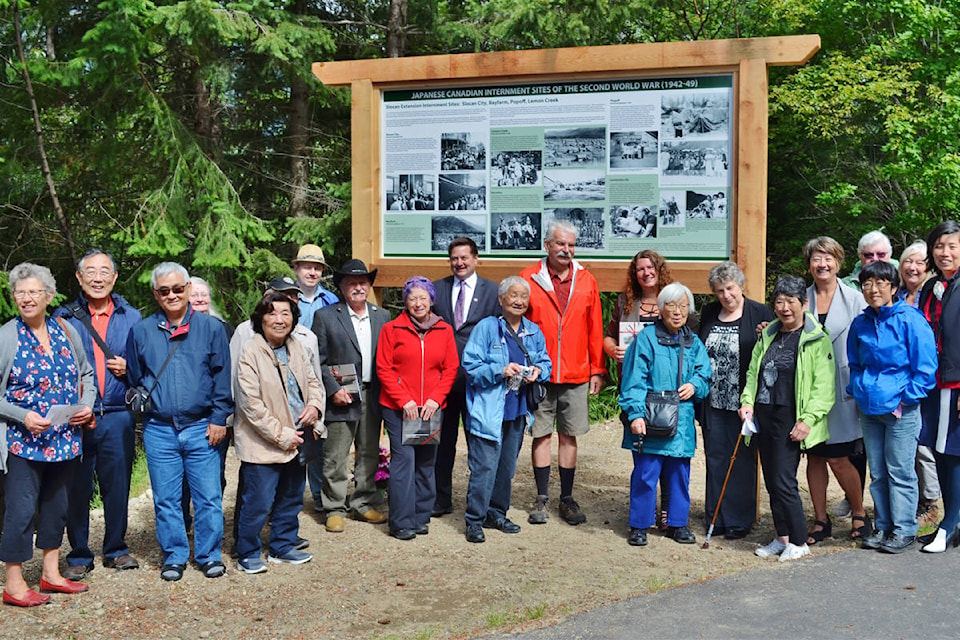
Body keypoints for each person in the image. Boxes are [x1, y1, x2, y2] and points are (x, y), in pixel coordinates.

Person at [126, 262, 232, 581]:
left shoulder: (211, 329)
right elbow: (135, 375)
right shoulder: (142, 331)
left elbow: (222, 378)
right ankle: (174, 554)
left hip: (202, 425)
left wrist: (218, 418)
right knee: (167, 498)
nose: (171, 295)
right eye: (164, 290)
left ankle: (209, 554)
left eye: (177, 289)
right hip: (159, 429)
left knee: (208, 497)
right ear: (156, 294)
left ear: (187, 289)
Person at [1, 263, 95, 606]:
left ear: (48, 296)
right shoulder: (7, 336)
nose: (26, 298)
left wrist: (86, 405)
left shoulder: (67, 331)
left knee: (58, 508)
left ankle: (51, 575)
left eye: (32, 292)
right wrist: (22, 415)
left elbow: (87, 373)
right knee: (21, 510)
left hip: (65, 441)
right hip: (22, 443)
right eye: (20, 292)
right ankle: (13, 585)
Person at [54, 250, 142, 580]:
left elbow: (147, 369)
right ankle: (78, 553)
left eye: (105, 271)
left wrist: (129, 368)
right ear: (79, 277)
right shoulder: (64, 318)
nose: (97, 277)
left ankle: (116, 549)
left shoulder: (132, 317)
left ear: (114, 278)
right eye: (90, 271)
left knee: (117, 486)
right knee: (76, 487)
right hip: (77, 418)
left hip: (118, 414)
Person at [740, 275, 836, 562]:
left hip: (790, 417)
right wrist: (747, 402)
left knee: (784, 480)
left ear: (804, 304)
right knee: (771, 479)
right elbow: (752, 373)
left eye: (790, 302)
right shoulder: (768, 333)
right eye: (779, 302)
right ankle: (781, 537)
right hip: (763, 415)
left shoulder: (816, 338)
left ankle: (798, 540)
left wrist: (808, 420)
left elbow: (824, 386)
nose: (784, 308)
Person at [847, 261, 937, 553]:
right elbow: (855, 362)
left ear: (893, 288)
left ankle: (904, 529)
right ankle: (884, 526)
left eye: (880, 284)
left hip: (901, 410)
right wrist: (859, 391)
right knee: (879, 471)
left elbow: (926, 369)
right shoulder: (860, 323)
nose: (873, 289)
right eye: (867, 284)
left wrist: (904, 399)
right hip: (870, 408)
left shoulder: (910, 320)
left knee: (900, 470)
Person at [233, 292, 325, 573]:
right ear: (261, 319)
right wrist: (282, 435)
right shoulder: (250, 350)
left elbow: (313, 382)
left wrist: (314, 406)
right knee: (257, 502)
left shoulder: (297, 346)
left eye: (285, 313)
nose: (279, 319)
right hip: (265, 442)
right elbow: (250, 405)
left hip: (299, 436)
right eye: (272, 313)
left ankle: (282, 546)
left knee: (291, 498)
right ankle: (247, 551)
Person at [521, 221, 605, 526]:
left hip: (576, 372)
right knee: (541, 434)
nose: (566, 250)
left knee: (569, 436)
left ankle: (567, 498)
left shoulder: (587, 281)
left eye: (571, 245)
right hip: (539, 374)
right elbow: (517, 326)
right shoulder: (528, 278)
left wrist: (598, 369)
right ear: (547, 246)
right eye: (560, 244)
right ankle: (541, 496)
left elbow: (595, 328)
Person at [619, 283, 711, 547]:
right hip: (650, 417)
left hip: (681, 420)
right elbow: (633, 380)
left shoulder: (693, 342)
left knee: (679, 475)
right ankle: (639, 525)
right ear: (661, 309)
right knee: (646, 473)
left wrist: (695, 384)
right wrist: (635, 414)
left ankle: (677, 524)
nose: (678, 311)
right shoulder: (646, 339)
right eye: (672, 305)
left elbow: (705, 372)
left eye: (683, 306)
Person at [461, 276, 551, 543]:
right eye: (513, 295)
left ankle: (497, 513)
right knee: (484, 467)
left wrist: (538, 371)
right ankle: (474, 519)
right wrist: (499, 370)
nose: (519, 301)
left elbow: (545, 362)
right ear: (501, 299)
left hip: (518, 408)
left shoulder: (533, 331)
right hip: (489, 409)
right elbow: (470, 367)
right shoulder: (486, 328)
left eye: (524, 296)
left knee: (506, 467)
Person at [603, 250, 683, 529]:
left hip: (668, 392)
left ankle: (668, 511)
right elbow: (609, 336)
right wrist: (614, 350)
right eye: (640, 269)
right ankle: (645, 514)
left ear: (660, 269)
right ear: (634, 274)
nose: (646, 272)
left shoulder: (674, 299)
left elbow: (689, 337)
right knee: (645, 455)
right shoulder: (626, 302)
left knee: (671, 453)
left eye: (650, 267)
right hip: (636, 390)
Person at [377, 277, 459, 540]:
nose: (418, 303)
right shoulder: (392, 329)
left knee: (425, 463)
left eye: (423, 298)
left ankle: (421, 516)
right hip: (399, 408)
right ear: (406, 302)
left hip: (430, 408)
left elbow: (450, 368)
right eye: (412, 298)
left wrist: (435, 399)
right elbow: (384, 368)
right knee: (404, 461)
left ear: (431, 300)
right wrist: (405, 400)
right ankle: (401, 521)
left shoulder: (444, 330)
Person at [312, 259, 390, 533]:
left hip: (373, 393)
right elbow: (317, 360)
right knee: (336, 454)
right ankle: (334, 507)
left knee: (369, 452)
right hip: (342, 395)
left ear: (369, 286)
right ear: (342, 287)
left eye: (362, 283)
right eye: (351, 283)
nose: (358, 288)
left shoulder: (382, 316)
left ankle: (364, 502)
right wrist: (334, 390)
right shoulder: (325, 316)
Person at [697, 262, 773, 539]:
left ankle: (740, 520)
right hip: (713, 399)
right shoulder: (708, 313)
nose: (726, 295)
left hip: (745, 401)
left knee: (742, 459)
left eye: (730, 288)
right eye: (719, 291)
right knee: (715, 458)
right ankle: (716, 516)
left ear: (739, 285)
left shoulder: (760, 313)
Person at [804, 236, 871, 543]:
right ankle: (820, 519)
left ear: (839, 262)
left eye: (828, 258)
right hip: (809, 391)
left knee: (840, 458)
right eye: (817, 258)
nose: (823, 264)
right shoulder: (801, 298)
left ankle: (859, 513)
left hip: (843, 388)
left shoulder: (856, 299)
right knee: (814, 457)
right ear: (809, 264)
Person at [431, 237, 500, 518]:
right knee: (442, 445)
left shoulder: (493, 292)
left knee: (478, 446)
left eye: (464, 258)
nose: (459, 263)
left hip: (478, 384)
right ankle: (440, 500)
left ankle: (479, 503)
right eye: (454, 259)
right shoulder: (436, 289)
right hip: (443, 382)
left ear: (475, 259)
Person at [918, 221, 960, 552]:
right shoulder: (933, 286)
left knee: (953, 453)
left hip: (956, 382)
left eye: (952, 246)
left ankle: (948, 525)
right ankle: (953, 523)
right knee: (940, 452)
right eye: (939, 246)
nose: (945, 252)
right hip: (934, 383)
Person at [292, 244, 338, 517]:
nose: (312, 272)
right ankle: (291, 498)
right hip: (287, 375)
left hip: (320, 376)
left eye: (317, 267)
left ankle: (320, 495)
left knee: (319, 437)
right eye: (307, 266)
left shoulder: (330, 300)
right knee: (292, 436)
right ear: (296, 268)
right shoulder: (284, 297)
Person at [897, 241, 941, 527]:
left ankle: (931, 501)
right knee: (906, 445)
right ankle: (910, 502)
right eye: (908, 262)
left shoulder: (935, 295)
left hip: (929, 378)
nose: (913, 267)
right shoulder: (896, 295)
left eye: (920, 262)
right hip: (899, 380)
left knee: (925, 443)